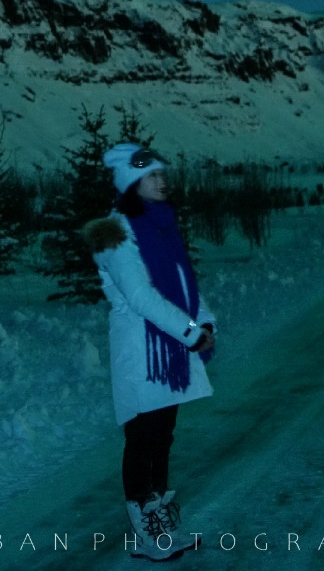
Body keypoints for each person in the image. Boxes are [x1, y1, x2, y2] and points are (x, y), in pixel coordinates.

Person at [83, 143, 217, 560]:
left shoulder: (161, 226)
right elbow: (141, 296)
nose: (163, 182)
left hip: (170, 349)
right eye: (152, 176)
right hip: (143, 353)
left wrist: (204, 321)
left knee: (162, 438)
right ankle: (145, 529)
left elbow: (182, 283)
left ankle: (159, 521)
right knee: (142, 439)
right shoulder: (116, 234)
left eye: (162, 174)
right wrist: (191, 332)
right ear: (131, 184)